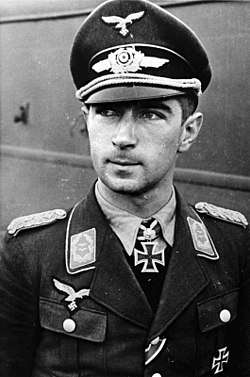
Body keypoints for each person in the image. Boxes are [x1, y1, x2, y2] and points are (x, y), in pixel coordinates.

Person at [0, 0, 249, 376]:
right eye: (108, 112)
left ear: (189, 130)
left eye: (151, 114)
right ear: (87, 119)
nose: (123, 138)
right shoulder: (29, 256)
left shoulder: (233, 246)